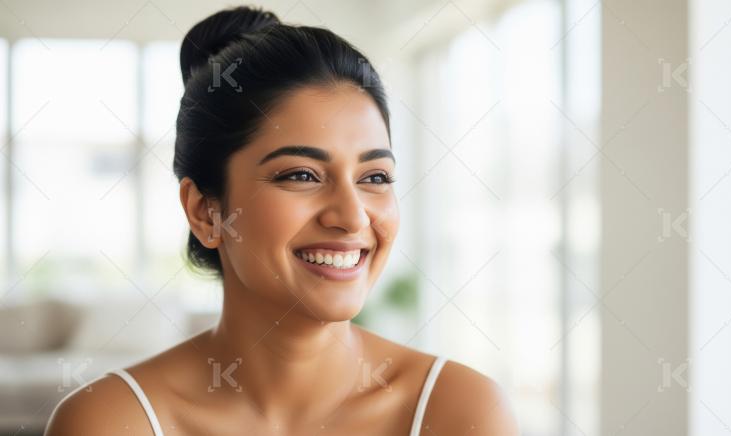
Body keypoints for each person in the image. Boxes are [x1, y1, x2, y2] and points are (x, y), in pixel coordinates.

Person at [44, 6, 518, 435]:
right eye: (301, 175)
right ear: (205, 212)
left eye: (374, 176)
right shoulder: (111, 422)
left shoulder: (459, 412)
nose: (352, 216)